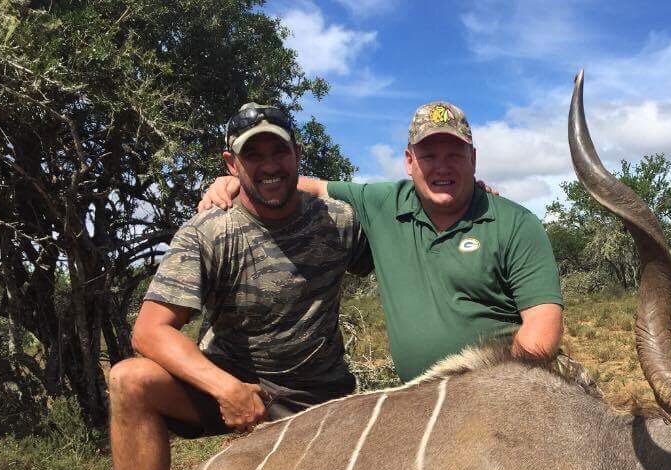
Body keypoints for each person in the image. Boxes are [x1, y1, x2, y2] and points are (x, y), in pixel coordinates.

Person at [64, 103, 372, 470]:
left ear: (298, 156)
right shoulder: (209, 232)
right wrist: (225, 387)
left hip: (321, 404)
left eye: (280, 151)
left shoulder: (337, 221)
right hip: (229, 393)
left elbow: (409, 235)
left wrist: (476, 200)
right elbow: (149, 330)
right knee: (130, 379)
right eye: (255, 155)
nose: (269, 165)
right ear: (232, 165)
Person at [200, 101, 565, 382]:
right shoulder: (381, 202)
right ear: (409, 161)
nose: (442, 166)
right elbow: (306, 184)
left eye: (454, 154)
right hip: (417, 403)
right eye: (429, 155)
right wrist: (236, 183)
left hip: (502, 389)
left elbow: (542, 335)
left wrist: (486, 391)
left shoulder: (515, 222)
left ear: (473, 159)